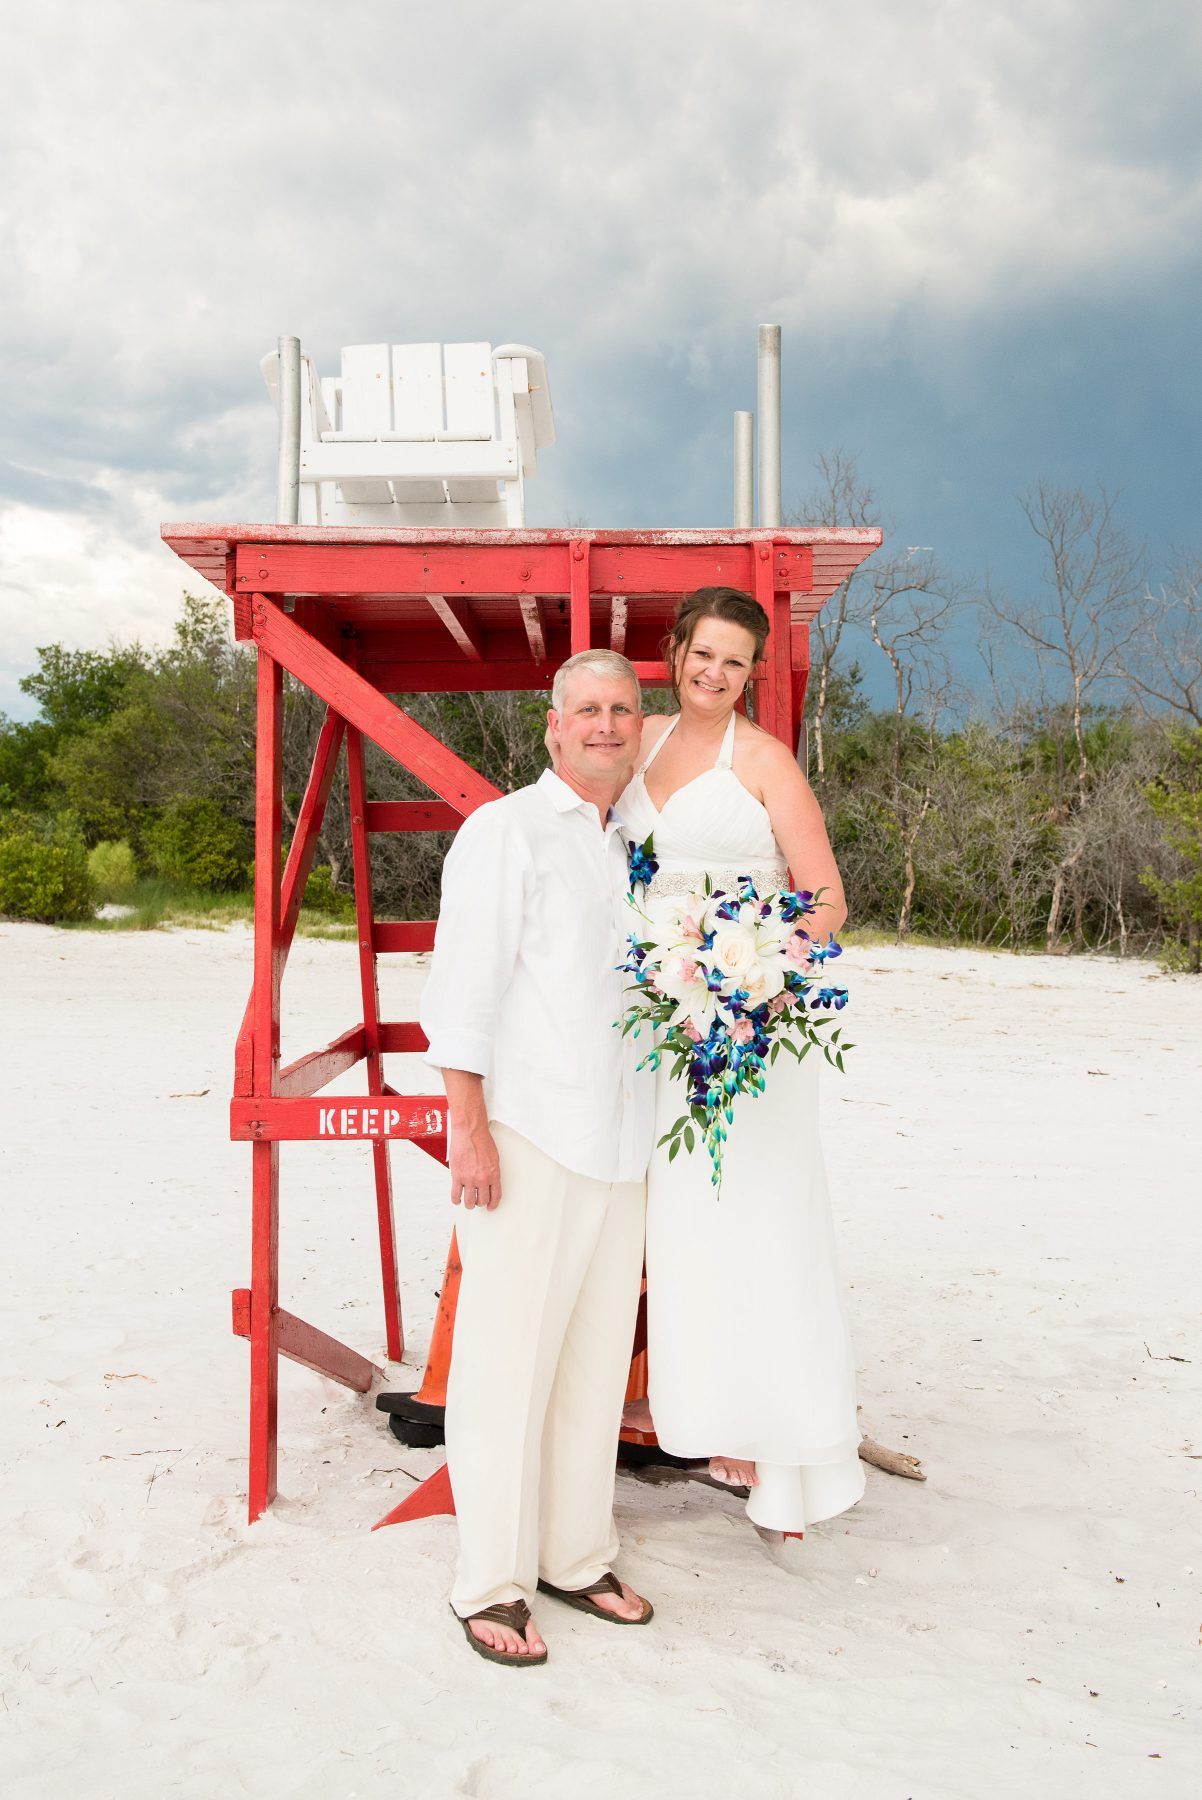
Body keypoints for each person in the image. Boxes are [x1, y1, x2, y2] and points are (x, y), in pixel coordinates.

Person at [419, 648, 657, 1667]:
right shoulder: (504, 831)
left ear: (637, 726)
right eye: (587, 709)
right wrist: (464, 1130)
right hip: (526, 1135)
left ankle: (573, 1553)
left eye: (621, 709)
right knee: (504, 1365)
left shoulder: (642, 844)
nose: (605, 724)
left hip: (621, 1140)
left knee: (594, 1365)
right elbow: (462, 994)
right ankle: (489, 1580)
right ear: (552, 728)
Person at [619, 587, 865, 1536]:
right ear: (674, 650)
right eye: (702, 654)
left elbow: (828, 901)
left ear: (750, 673)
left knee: (757, 1211)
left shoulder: (763, 761)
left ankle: (784, 1449)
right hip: (657, 1019)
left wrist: (749, 972)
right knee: (681, 1220)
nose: (713, 674)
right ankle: (708, 1416)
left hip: (749, 1025)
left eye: (734, 662)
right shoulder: (632, 740)